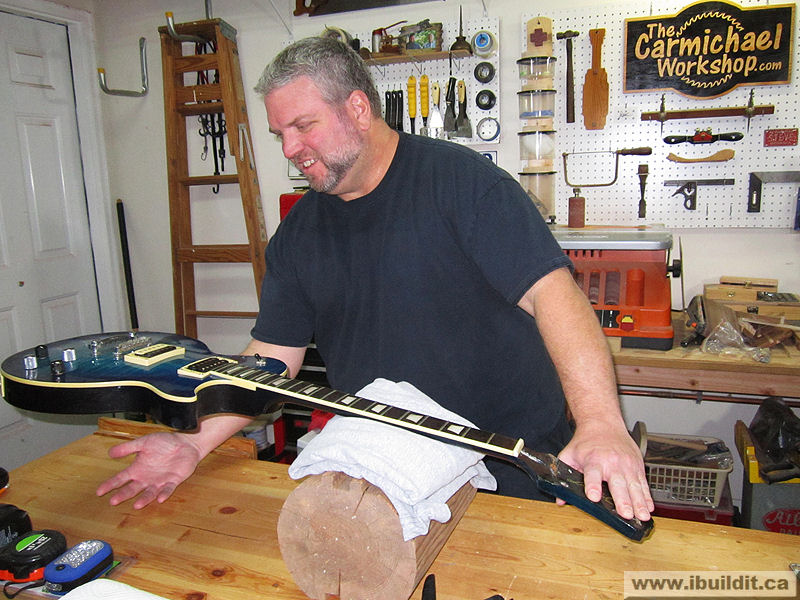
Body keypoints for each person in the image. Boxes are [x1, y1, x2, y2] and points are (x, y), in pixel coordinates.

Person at [97, 37, 653, 523]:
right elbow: (271, 356)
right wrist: (194, 444)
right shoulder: (298, 237)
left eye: (302, 126)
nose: (290, 149)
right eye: (279, 134)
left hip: (514, 467)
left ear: (358, 108)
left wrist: (601, 423)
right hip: (396, 473)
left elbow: (554, 294)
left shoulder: (463, 184)